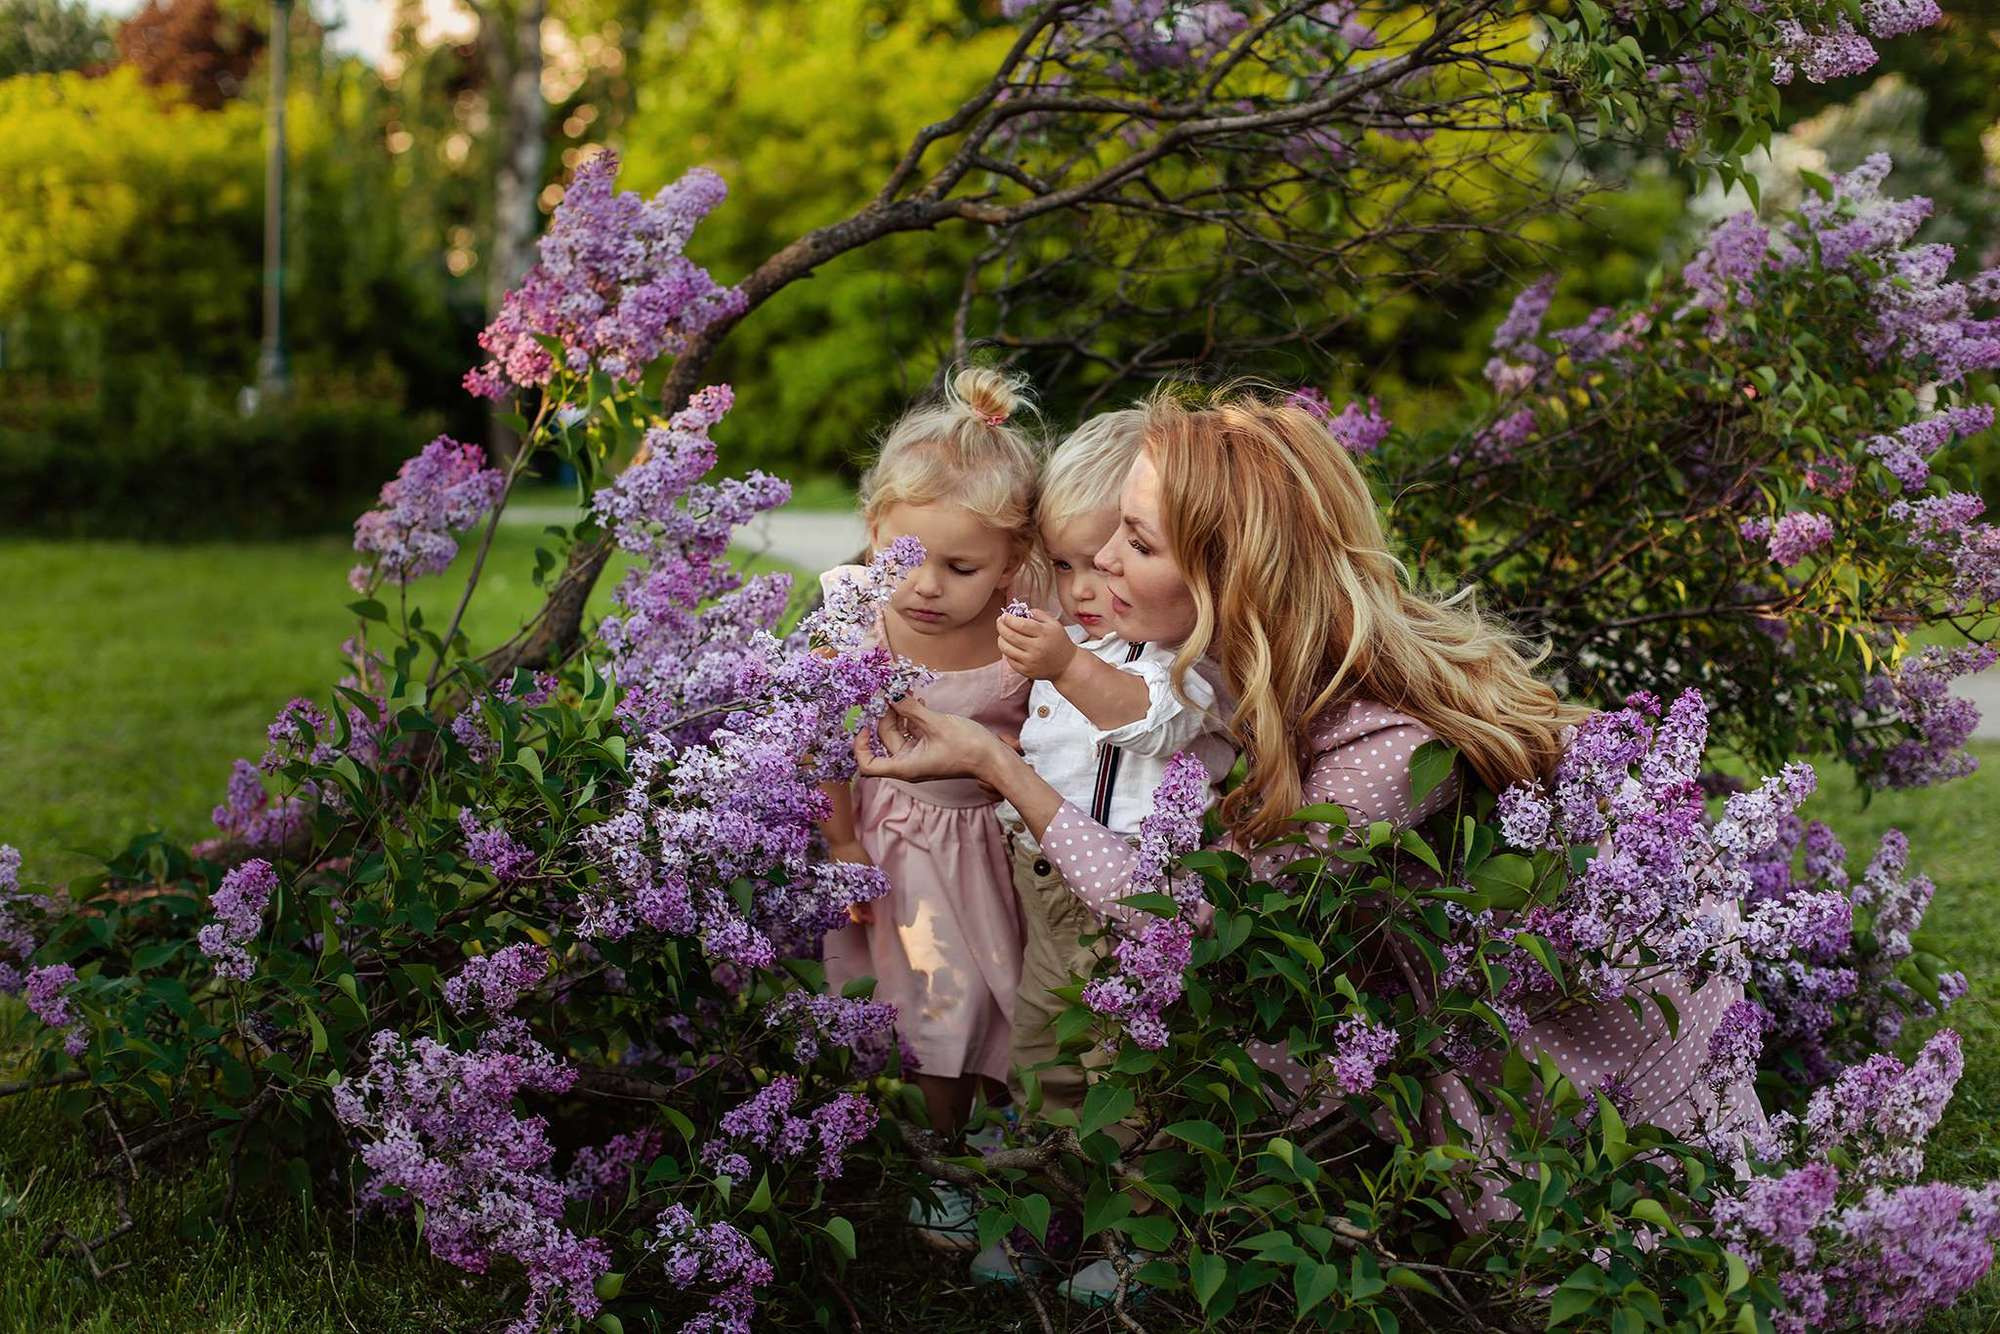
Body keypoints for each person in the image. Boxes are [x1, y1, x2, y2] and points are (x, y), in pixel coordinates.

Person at [850, 385, 1767, 1237]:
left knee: (1580, 1256)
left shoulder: (1387, 752)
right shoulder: (1247, 665)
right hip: (1431, 1027)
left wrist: (993, 765)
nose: (1100, 568)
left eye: (1137, 541)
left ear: (1230, 569)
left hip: (1606, 1079)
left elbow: (1190, 920)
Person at [815, 365, 1041, 1252]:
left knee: (1005, 1009)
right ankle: (940, 1164)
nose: (927, 586)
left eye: (962, 566)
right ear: (875, 531)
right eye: (906, 557)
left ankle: (1000, 1154)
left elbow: (1045, 736)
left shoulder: (1024, 633)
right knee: (927, 1015)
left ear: (1011, 566)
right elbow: (822, 739)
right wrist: (838, 842)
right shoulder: (856, 618)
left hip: (991, 846)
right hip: (893, 851)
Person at [992, 407, 1236, 1118]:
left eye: (1104, 559)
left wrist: (1064, 665)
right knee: (1039, 1054)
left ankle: (1127, 1212)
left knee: (1124, 1075)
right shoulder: (1079, 639)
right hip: (1047, 885)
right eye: (1062, 566)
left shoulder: (1183, 651)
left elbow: (1155, 723)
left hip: (1136, 894)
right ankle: (1043, 1195)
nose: (1082, 589)